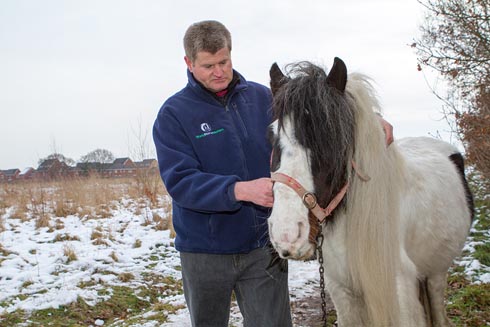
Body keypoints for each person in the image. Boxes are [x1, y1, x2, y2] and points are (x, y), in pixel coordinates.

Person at [153, 20, 394, 327]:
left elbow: (321, 113)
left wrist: (371, 120)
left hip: (262, 247)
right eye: (208, 65)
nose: (219, 72)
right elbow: (180, 181)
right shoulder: (173, 114)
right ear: (188, 63)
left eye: (224, 62)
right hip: (205, 252)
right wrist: (239, 190)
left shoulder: (262, 98)